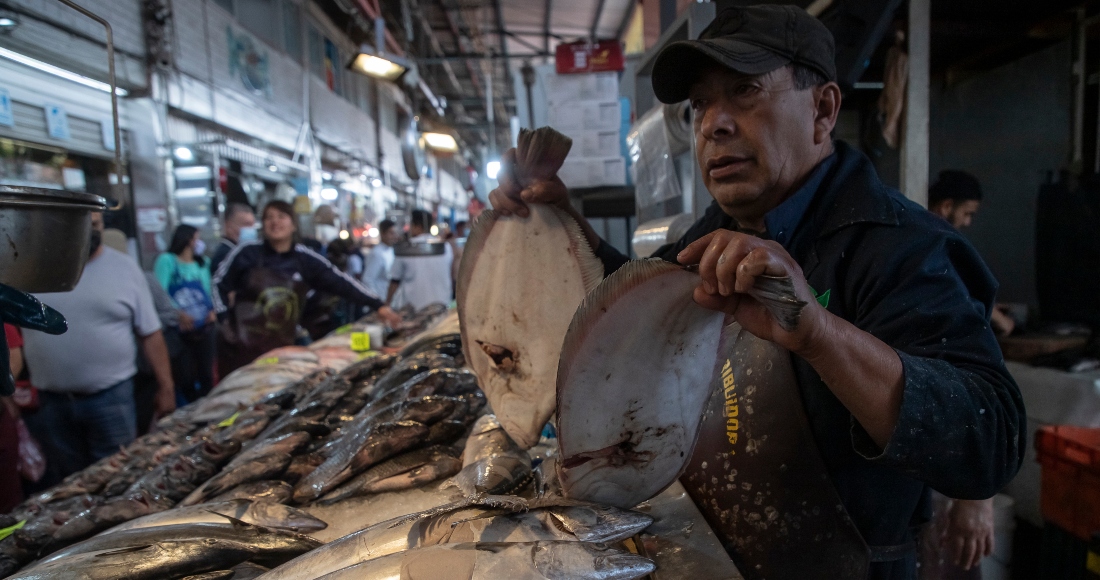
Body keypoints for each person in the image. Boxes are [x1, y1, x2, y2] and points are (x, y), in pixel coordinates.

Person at [489, 6, 1025, 579]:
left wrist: (818, 334)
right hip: (717, 555)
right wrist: (563, 226)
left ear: (823, 110)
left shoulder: (903, 248)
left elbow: (989, 439)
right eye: (699, 106)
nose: (713, 125)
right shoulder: (717, 231)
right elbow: (633, 315)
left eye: (744, 91)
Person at [22, 212, 175, 482]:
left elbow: (150, 334)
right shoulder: (34, 270)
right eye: (77, 225)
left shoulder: (125, 269)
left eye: (94, 225)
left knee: (118, 479)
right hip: (51, 402)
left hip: (110, 399)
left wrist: (166, 387)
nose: (88, 232)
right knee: (68, 483)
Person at [213, 201, 402, 375]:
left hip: (282, 347)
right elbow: (217, 284)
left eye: (281, 217)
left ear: (293, 224)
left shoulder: (305, 259)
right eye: (269, 217)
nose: (275, 222)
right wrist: (223, 321)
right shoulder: (246, 252)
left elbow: (342, 282)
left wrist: (378, 305)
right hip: (239, 347)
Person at [928, 170, 1016, 336]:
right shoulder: (928, 239)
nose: (967, 222)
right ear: (946, 206)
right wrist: (999, 319)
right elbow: (950, 291)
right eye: (967, 213)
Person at [154, 225, 216, 402]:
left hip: (205, 327)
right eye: (197, 239)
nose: (199, 243)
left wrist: (213, 311)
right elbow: (161, 292)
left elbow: (210, 290)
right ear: (188, 240)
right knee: (184, 376)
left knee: (206, 374)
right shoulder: (167, 261)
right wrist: (177, 313)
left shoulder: (203, 263)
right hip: (178, 329)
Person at [387, 210, 454, 310]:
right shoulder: (446, 247)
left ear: (416, 225)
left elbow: (395, 281)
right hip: (442, 306)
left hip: (414, 311)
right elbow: (451, 273)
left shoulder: (406, 249)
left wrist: (386, 304)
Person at [210, 203, 257, 276]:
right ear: (229, 226)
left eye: (252, 225)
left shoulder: (240, 252)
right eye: (247, 224)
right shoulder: (225, 256)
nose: (251, 229)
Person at [362, 219, 399, 299]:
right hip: (381, 299)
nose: (394, 236)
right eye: (391, 233)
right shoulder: (377, 254)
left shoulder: (392, 251)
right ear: (383, 234)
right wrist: (376, 301)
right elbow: (368, 279)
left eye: (395, 233)